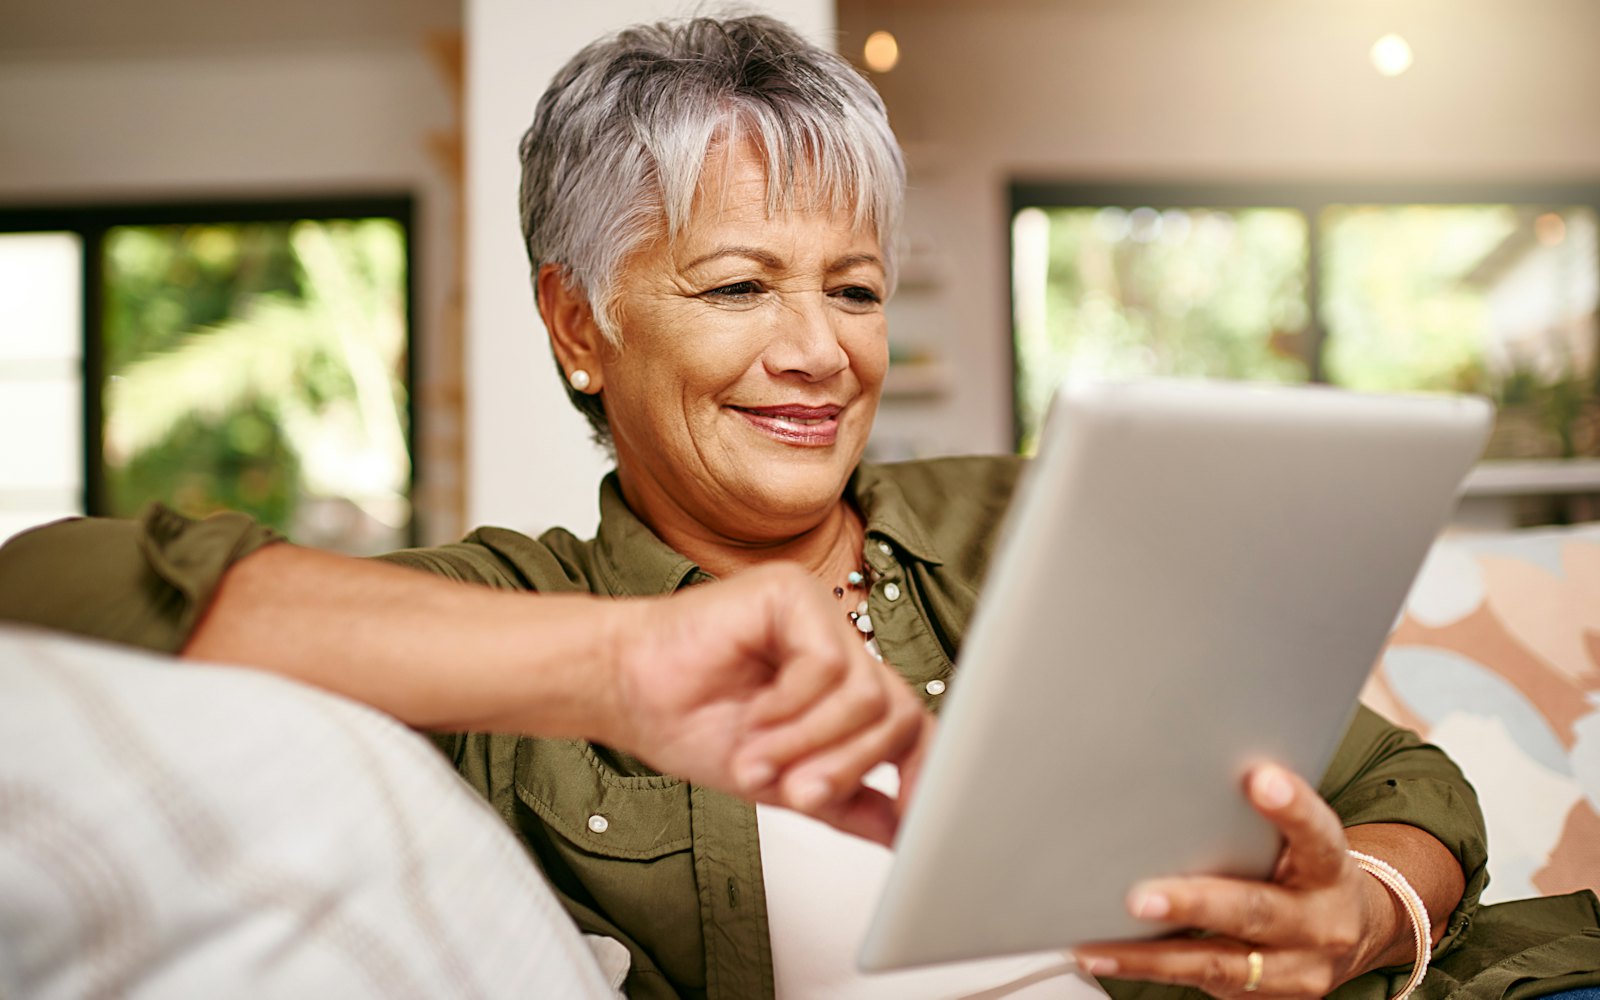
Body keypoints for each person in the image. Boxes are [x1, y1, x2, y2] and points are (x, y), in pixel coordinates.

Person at [2, 14, 1597, 1000]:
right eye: (736, 285)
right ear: (577, 325)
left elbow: (1403, 785)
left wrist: (1366, 913)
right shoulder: (519, 615)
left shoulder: (1025, 525)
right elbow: (51, 596)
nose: (820, 352)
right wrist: (614, 667)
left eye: (853, 286)